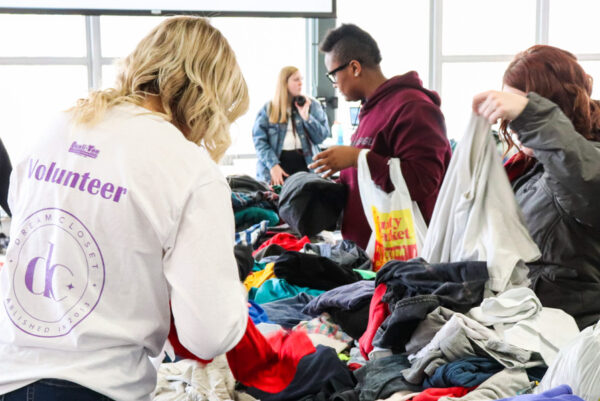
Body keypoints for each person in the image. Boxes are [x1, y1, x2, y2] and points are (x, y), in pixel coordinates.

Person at [0, 16, 249, 401]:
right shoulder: (189, 168)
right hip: (99, 386)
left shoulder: (56, 127)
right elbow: (208, 335)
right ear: (210, 94)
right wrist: (235, 289)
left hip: (9, 372)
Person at [473, 45, 600, 329]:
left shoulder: (583, 162)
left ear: (556, 105)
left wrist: (532, 116)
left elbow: (587, 179)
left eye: (522, 108)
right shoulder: (527, 166)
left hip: (572, 336)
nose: (513, 122)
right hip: (530, 329)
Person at [310, 24, 452, 251]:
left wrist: (357, 158)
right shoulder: (371, 108)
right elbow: (372, 173)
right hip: (368, 253)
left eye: (333, 75)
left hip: (404, 257)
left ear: (354, 67)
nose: (334, 84)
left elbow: (423, 181)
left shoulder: (413, 107)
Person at [253, 66, 330, 185]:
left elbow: (321, 137)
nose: (301, 83)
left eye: (302, 79)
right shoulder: (269, 108)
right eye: (296, 79)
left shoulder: (312, 105)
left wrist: (306, 117)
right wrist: (273, 165)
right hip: (277, 167)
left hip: (306, 166)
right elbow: (259, 141)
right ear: (284, 83)